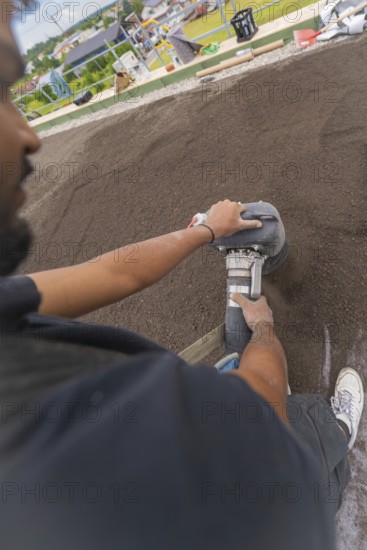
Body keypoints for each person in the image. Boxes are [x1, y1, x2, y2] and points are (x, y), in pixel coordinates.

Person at [0, 3, 364, 549]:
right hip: (255, 500)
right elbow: (259, 399)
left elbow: (109, 274)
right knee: (296, 443)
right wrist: (263, 330)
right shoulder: (62, 445)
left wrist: (205, 231)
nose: (29, 135)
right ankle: (334, 433)